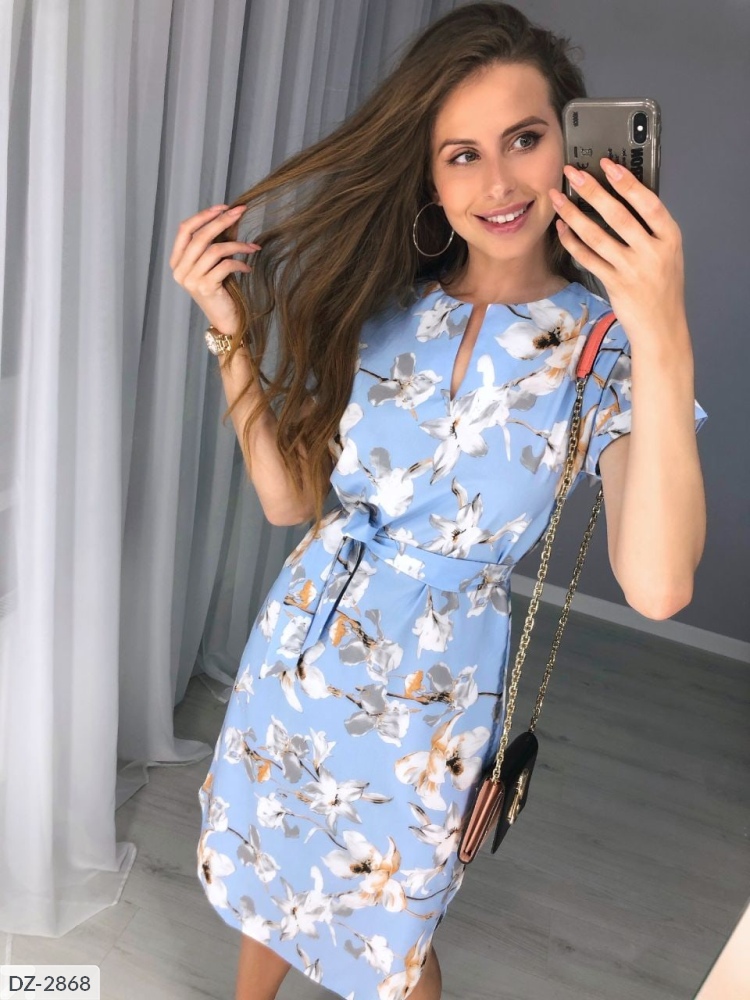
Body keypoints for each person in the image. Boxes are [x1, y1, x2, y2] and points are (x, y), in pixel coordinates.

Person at [169, 3, 708, 998]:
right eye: (462, 154)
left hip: (432, 697)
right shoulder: (382, 306)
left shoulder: (608, 349)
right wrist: (228, 330)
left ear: (569, 146)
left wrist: (661, 324)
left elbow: (660, 585)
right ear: (430, 176)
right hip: (297, 653)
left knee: (393, 933)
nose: (497, 181)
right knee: (272, 865)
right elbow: (289, 501)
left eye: (524, 139)